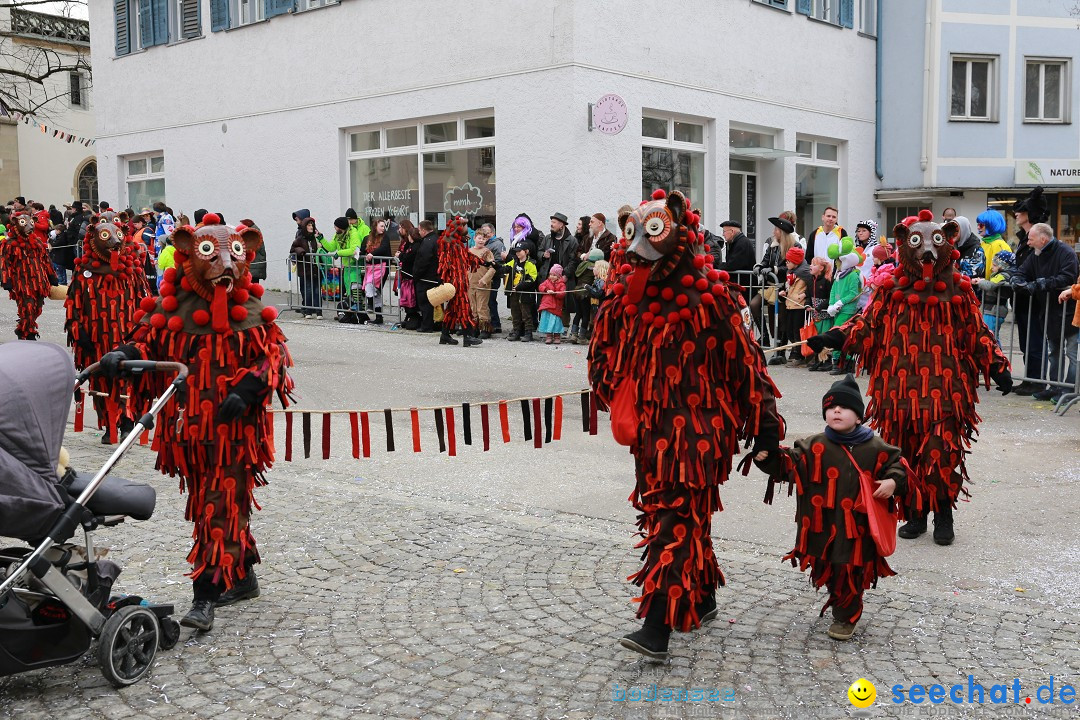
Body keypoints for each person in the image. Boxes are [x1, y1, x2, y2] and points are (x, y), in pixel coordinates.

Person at [590, 189, 781, 663]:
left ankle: (656, 626)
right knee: (677, 517)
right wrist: (613, 390)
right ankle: (704, 596)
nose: (639, 252)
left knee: (676, 520)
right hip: (651, 436)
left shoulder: (713, 300)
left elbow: (747, 367)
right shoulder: (625, 301)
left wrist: (765, 429)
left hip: (700, 434)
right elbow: (602, 358)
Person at [99, 215, 293, 631]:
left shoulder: (254, 310)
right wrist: (122, 352)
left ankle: (205, 592)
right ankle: (242, 577)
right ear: (189, 252)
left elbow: (272, 357)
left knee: (219, 505)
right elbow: (147, 339)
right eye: (211, 252)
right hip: (187, 428)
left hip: (234, 432)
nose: (225, 263)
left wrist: (248, 390)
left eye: (234, 253)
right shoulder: (175, 305)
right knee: (219, 505)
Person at [806, 211, 1012, 546]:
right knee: (906, 455)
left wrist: (997, 366)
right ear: (905, 244)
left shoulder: (957, 292)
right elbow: (865, 324)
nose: (927, 251)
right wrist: (829, 338)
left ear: (948, 243)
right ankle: (915, 513)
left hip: (946, 393)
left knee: (941, 454)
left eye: (936, 242)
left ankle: (943, 512)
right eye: (917, 242)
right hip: (898, 394)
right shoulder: (891, 291)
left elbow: (977, 332)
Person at [753, 375, 912, 641]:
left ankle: (845, 615)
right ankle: (839, 601)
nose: (836, 410)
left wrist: (892, 482)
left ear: (859, 416)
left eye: (844, 407)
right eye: (830, 407)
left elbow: (898, 466)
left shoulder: (876, 447)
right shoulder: (812, 445)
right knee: (831, 569)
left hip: (859, 529)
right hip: (822, 526)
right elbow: (786, 467)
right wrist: (766, 458)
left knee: (850, 571)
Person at [64, 216, 145, 443]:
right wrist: (79, 332)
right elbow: (73, 306)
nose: (115, 243)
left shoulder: (132, 272)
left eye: (118, 236)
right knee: (100, 382)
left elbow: (143, 304)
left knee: (126, 379)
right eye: (106, 237)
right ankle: (109, 425)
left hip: (126, 340)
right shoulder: (83, 273)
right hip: (96, 341)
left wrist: (142, 332)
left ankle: (128, 422)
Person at [1011, 223, 1079, 403]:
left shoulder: (1066, 253)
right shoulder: (1036, 254)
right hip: (1050, 312)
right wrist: (1017, 280)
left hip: (1070, 311)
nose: (1029, 243)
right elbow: (1023, 271)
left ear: (1043, 239)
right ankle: (1055, 387)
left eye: (1031, 239)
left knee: (1072, 353)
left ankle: (1070, 389)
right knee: (1054, 351)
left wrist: (1040, 284)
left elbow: (1068, 277)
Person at [1010, 187, 1049, 396]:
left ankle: (1037, 381)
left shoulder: (1038, 239)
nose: (1016, 214)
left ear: (1030, 214)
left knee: (1035, 341)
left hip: (1035, 298)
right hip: (1023, 298)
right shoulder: (1024, 239)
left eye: (1021, 211)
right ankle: (1029, 379)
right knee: (1025, 341)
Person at [0, 209, 55, 340]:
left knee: (38, 307)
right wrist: (6, 280)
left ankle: (23, 328)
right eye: (24, 223)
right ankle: (28, 333)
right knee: (27, 307)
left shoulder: (37, 242)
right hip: (22, 282)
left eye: (31, 222)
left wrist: (52, 275)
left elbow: (45, 259)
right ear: (15, 223)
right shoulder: (9, 244)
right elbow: (5, 263)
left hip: (40, 282)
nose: (30, 226)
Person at [751, 214, 800, 356]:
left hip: (785, 286)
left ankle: (780, 351)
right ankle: (765, 336)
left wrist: (774, 269)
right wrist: (760, 266)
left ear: (782, 232)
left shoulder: (794, 246)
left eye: (776, 230)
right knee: (754, 304)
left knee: (780, 319)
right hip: (770, 285)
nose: (773, 232)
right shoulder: (772, 246)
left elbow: (792, 266)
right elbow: (765, 260)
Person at [434, 216, 483, 347]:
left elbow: (468, 257)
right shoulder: (451, 245)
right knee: (464, 307)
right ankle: (468, 336)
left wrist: (487, 262)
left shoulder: (456, 245)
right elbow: (447, 260)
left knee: (452, 310)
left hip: (458, 281)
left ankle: (444, 335)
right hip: (457, 282)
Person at [821, 252, 864, 375]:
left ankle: (842, 362)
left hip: (848, 310)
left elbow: (853, 293)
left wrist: (840, 302)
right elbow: (833, 291)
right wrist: (831, 304)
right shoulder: (839, 275)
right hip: (838, 310)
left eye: (839, 261)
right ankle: (841, 362)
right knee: (840, 335)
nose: (836, 263)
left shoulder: (853, 275)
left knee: (838, 334)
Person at [321, 215, 369, 323]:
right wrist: (321, 238)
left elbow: (354, 250)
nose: (335, 229)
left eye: (336, 227)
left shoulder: (354, 234)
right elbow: (331, 247)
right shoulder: (338, 236)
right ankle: (352, 314)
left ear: (341, 227)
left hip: (355, 265)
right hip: (346, 267)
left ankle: (361, 314)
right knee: (348, 291)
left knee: (355, 287)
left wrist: (339, 253)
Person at [538, 213, 578, 330]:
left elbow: (574, 260)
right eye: (551, 222)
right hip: (548, 276)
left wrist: (566, 274)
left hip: (563, 276)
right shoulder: (547, 238)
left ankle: (563, 328)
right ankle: (547, 329)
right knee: (547, 301)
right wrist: (543, 255)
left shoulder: (571, 240)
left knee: (563, 303)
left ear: (561, 225)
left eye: (554, 222)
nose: (551, 224)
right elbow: (539, 252)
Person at [778, 246, 811, 368]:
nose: (786, 263)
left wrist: (804, 295)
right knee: (790, 332)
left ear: (796, 261)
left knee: (798, 332)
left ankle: (799, 355)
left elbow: (811, 289)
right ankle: (796, 352)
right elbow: (787, 287)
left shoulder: (805, 273)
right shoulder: (790, 273)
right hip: (790, 305)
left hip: (799, 306)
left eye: (789, 261)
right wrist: (783, 293)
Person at [976, 250, 1015, 344]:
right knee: (993, 337)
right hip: (991, 310)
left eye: (994, 265)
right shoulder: (1000, 274)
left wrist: (980, 281)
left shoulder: (1003, 275)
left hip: (994, 311)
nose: (991, 267)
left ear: (1002, 265)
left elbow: (990, 285)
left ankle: (996, 357)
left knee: (990, 337)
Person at [502, 241, 538, 342]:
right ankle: (516, 331)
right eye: (516, 251)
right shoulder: (513, 262)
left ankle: (528, 333)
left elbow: (532, 279)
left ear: (526, 251)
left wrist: (519, 286)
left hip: (525, 294)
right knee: (515, 313)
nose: (517, 253)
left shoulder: (531, 264)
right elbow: (504, 269)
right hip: (513, 293)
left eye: (519, 251)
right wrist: (494, 265)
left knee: (526, 314)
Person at [290, 217, 324, 319]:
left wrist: (320, 246)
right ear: (305, 227)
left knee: (317, 290)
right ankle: (308, 311)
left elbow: (324, 248)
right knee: (308, 290)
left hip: (316, 268)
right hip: (305, 268)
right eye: (309, 225)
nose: (311, 227)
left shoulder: (316, 237)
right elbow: (293, 249)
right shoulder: (300, 239)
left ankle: (319, 312)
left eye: (312, 225)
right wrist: (300, 251)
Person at [412, 219, 442, 333]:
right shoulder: (436, 239)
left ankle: (427, 325)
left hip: (426, 277)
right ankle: (435, 323)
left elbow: (423, 260)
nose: (419, 232)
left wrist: (416, 274)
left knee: (425, 302)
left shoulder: (427, 242)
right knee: (434, 302)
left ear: (424, 230)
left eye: (419, 230)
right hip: (435, 276)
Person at [467, 229, 497, 337]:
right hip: (470, 284)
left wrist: (485, 279)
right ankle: (474, 327)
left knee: (482, 306)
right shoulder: (469, 251)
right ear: (474, 238)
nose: (481, 240)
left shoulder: (487, 252)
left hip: (482, 284)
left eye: (483, 239)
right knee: (472, 307)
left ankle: (485, 328)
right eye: (479, 238)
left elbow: (492, 268)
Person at [362, 219, 392, 325]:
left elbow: (384, 248)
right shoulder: (367, 238)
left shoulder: (385, 238)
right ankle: (379, 317)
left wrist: (372, 254)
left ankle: (370, 305)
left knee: (371, 286)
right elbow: (362, 249)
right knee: (376, 292)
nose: (383, 228)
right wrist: (358, 253)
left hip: (382, 266)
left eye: (384, 226)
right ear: (375, 227)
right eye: (381, 226)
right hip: (371, 267)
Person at [571, 247, 603, 345]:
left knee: (578, 313)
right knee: (585, 315)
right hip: (585, 292)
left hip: (576, 290)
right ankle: (582, 337)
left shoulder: (582, 264)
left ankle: (574, 334)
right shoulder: (593, 267)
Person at [480, 223, 506, 335]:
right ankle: (493, 324)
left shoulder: (497, 244)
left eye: (486, 231)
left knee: (490, 301)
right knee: (487, 301)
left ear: (492, 232)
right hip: (483, 276)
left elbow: (500, 262)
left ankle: (495, 325)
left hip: (493, 277)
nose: (484, 233)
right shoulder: (485, 244)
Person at [395, 220, 421, 330]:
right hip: (405, 276)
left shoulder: (414, 246)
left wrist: (400, 255)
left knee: (410, 299)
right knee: (406, 297)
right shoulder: (409, 244)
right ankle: (409, 316)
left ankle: (414, 317)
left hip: (410, 277)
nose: (399, 230)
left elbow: (407, 257)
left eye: (401, 227)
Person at [974, 209, 1011, 280]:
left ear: (991, 225)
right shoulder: (984, 243)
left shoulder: (999, 245)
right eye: (978, 224)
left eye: (981, 225)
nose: (978, 227)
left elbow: (1000, 273)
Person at [537, 263, 566, 344]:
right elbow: (540, 287)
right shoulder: (547, 282)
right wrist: (546, 290)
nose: (552, 276)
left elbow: (562, 294)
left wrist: (555, 293)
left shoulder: (562, 284)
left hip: (556, 307)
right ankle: (548, 336)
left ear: (559, 276)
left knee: (556, 322)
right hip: (547, 306)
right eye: (551, 274)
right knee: (547, 321)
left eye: (554, 275)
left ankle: (557, 336)